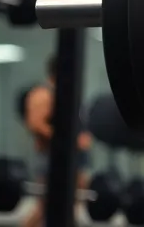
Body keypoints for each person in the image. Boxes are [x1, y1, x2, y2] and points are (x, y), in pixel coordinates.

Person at [21, 55, 92, 227]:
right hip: (51, 158)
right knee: (44, 207)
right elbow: (35, 124)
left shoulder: (67, 93)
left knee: (72, 205)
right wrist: (68, 139)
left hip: (74, 158)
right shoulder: (43, 94)